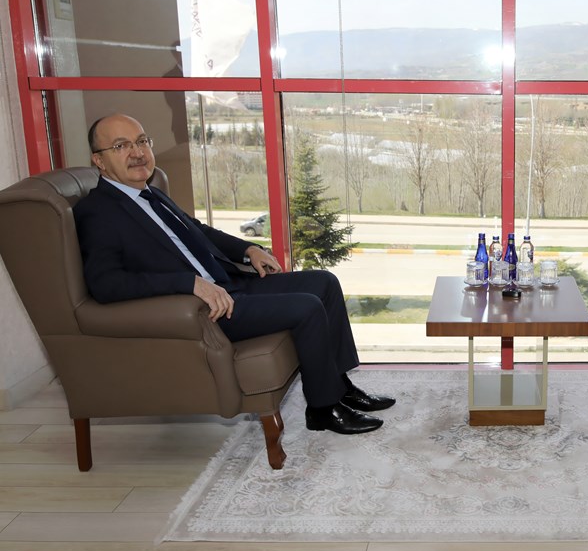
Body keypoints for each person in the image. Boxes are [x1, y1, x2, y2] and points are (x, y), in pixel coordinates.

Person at [74, 113, 395, 436]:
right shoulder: (97, 211)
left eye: (142, 141)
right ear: (99, 160)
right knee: (307, 307)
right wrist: (189, 284)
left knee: (324, 282)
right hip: (206, 311)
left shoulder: (151, 193)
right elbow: (106, 284)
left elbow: (198, 232)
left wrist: (248, 249)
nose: (137, 152)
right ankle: (323, 409)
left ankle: (339, 386)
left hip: (229, 284)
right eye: (121, 146)